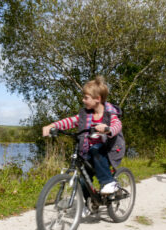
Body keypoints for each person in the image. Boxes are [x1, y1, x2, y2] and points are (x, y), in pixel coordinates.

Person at [42, 76, 125, 215]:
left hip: (108, 150)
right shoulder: (85, 115)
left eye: (86, 97)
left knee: (96, 148)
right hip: (88, 152)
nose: (83, 100)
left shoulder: (110, 114)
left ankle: (108, 182)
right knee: (83, 178)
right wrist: (52, 126)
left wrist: (107, 129)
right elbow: (69, 121)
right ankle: (90, 203)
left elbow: (117, 125)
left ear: (97, 99)